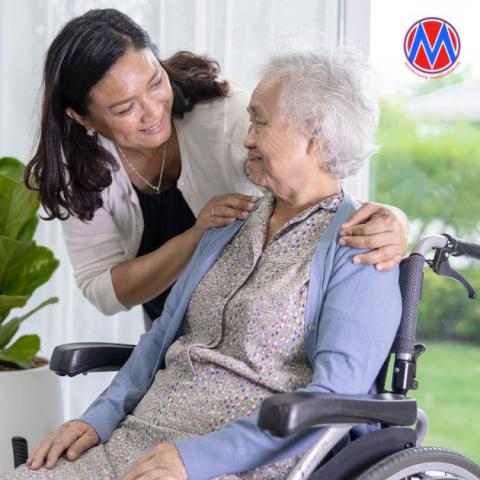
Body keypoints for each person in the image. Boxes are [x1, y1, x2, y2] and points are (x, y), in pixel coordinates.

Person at [10, 47, 402, 480]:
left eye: (260, 122)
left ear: (316, 136)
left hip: (240, 461)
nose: (247, 138)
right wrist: (95, 419)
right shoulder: (228, 223)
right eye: (250, 121)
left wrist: (195, 459)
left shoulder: (361, 246)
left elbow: (334, 395)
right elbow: (160, 337)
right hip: (139, 440)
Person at [25, 9, 407, 329]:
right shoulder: (78, 169)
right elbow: (104, 290)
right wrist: (196, 238)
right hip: (177, 339)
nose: (153, 110)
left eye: (156, 82)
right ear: (82, 117)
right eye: (125, 109)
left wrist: (391, 220)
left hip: (252, 327)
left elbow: (324, 178)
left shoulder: (226, 117)